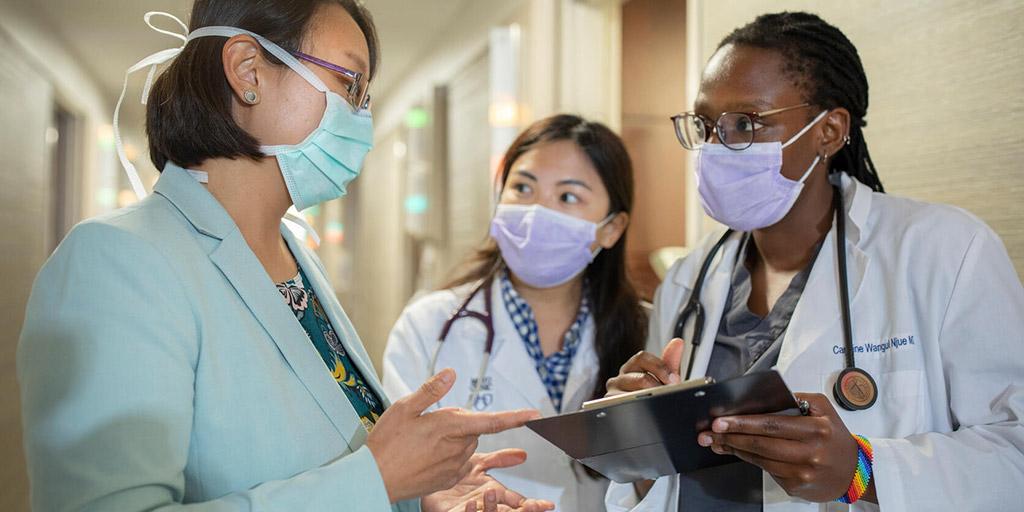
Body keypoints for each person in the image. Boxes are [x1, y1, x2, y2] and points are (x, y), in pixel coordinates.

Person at [17, 2, 556, 511]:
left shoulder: (293, 256)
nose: (361, 116)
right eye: (349, 83)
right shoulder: (116, 261)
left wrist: (417, 492)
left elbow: (331, 459)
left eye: (364, 95)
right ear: (249, 70)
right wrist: (378, 477)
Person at [603, 11, 1024, 511]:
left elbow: (1013, 453)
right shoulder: (689, 279)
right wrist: (637, 439)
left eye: (745, 123)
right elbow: (663, 479)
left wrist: (860, 471)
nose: (717, 146)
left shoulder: (946, 251)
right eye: (707, 124)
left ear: (829, 131)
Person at [382, 114, 648, 511]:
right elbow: (396, 471)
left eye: (568, 197)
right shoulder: (430, 327)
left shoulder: (650, 330)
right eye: (522, 188)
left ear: (612, 228)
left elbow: (669, 480)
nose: (536, 212)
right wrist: (430, 498)